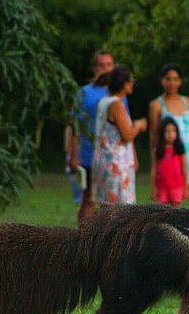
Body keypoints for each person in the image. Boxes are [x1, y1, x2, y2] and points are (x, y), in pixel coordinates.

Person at [69, 50, 132, 222]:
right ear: (94, 68)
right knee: (89, 198)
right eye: (101, 65)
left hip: (115, 158)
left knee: (111, 201)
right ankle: (82, 238)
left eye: (109, 65)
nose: (106, 69)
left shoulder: (118, 95)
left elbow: (124, 126)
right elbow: (75, 126)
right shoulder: (84, 93)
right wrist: (73, 155)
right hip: (89, 154)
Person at [149, 64, 189, 210]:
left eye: (175, 79)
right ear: (162, 81)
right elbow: (154, 135)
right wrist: (155, 159)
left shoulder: (186, 101)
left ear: (180, 81)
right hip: (170, 156)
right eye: (168, 79)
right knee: (170, 202)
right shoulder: (156, 105)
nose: (172, 83)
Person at [92, 65, 147, 204]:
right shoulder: (117, 104)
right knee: (121, 211)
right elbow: (127, 135)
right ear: (125, 84)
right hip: (116, 164)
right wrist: (139, 125)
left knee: (106, 207)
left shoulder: (104, 101)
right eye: (131, 81)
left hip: (103, 160)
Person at [153, 116, 188, 206]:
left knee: (176, 214)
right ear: (162, 133)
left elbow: (184, 169)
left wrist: (186, 188)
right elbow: (154, 170)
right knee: (164, 213)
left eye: (173, 131)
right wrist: (153, 188)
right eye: (167, 131)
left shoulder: (179, 149)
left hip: (177, 188)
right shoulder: (158, 150)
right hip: (162, 188)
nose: (170, 134)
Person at [63, 125, 82, 204]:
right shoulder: (74, 126)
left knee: (75, 180)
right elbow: (67, 146)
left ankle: (79, 199)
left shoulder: (71, 126)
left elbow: (67, 147)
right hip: (77, 155)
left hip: (75, 155)